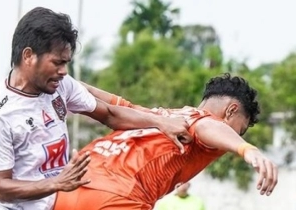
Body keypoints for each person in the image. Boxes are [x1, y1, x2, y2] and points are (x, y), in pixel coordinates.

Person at [0, 7, 192, 210]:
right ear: (28, 56)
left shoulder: (60, 86)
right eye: (57, 62)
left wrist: (161, 122)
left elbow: (110, 114)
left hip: (54, 201)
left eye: (67, 63)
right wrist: (57, 182)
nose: (64, 71)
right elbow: (1, 188)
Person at [54, 73, 278, 210]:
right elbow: (207, 126)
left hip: (69, 188)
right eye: (239, 130)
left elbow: (105, 99)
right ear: (231, 111)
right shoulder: (200, 125)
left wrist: (54, 76)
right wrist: (247, 149)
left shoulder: (158, 115)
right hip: (117, 196)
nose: (235, 137)